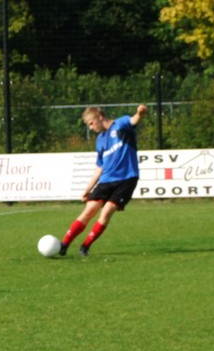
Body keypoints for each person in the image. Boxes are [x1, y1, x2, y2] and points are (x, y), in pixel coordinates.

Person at [59, 104, 148, 257]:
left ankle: (85, 247)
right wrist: (87, 189)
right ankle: (64, 245)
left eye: (91, 123)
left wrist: (140, 113)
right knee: (89, 210)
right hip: (106, 180)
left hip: (127, 178)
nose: (91, 127)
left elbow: (134, 120)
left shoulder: (120, 124)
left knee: (106, 211)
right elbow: (99, 167)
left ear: (100, 117)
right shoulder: (100, 140)